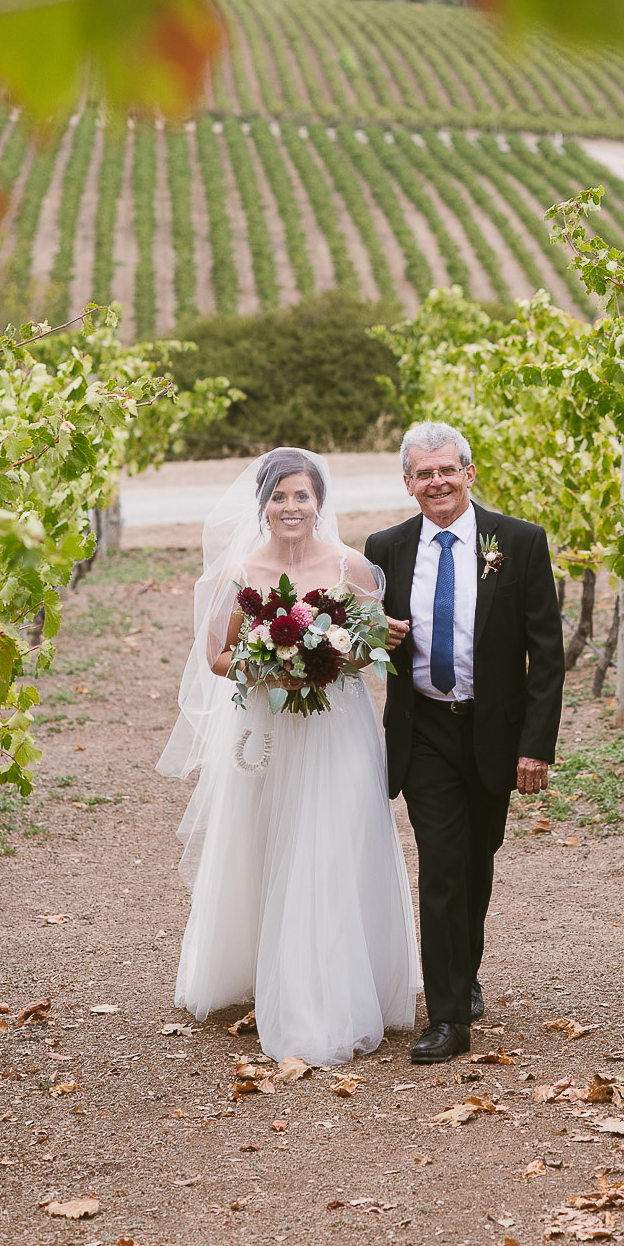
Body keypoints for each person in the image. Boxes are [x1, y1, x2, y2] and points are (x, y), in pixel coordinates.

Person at [157, 447, 421, 1067]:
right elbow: (217, 655)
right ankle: (271, 977)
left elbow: (371, 646)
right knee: (273, 844)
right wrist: (272, 667)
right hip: (270, 726)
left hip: (339, 728)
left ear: (319, 503)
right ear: (263, 505)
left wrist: (333, 658)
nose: (290, 507)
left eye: (301, 496)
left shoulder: (352, 565)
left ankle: (336, 990)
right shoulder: (243, 571)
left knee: (337, 841)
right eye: (279, 497)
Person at [365, 421, 565, 1065]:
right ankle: (448, 1015)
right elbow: (364, 633)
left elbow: (547, 655)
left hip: (493, 734)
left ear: (469, 473)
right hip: (422, 729)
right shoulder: (385, 548)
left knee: (478, 862)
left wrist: (535, 746)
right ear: (408, 483)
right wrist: (379, 636)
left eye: (447, 470)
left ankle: (465, 970)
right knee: (443, 867)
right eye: (424, 473)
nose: (437, 482)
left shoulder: (519, 542)